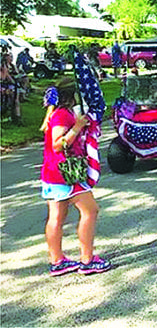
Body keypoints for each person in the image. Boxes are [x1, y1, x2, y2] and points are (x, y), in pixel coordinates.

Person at [40, 78, 111, 276]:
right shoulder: (62, 115)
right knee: (91, 211)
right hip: (66, 173)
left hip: (53, 172)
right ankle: (87, 259)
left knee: (57, 216)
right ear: (74, 96)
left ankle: (57, 261)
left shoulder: (59, 113)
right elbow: (57, 144)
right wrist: (77, 127)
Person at [0, 53, 22, 125]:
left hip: (10, 85)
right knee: (9, 94)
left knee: (16, 99)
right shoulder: (2, 67)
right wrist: (6, 72)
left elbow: (17, 74)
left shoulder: (12, 66)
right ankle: (8, 115)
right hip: (4, 85)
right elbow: (3, 78)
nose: (11, 58)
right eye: (10, 57)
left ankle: (17, 117)